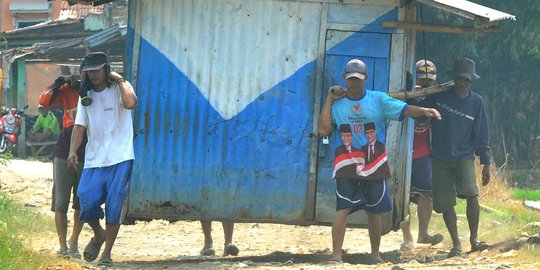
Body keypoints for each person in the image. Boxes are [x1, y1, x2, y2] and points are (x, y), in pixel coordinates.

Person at [318, 59, 441, 264]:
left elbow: (404, 109)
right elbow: (323, 129)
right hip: (346, 164)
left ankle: (375, 255)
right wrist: (329, 100)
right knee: (343, 209)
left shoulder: (379, 100)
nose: (354, 83)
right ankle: (336, 255)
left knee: (374, 210)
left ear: (365, 78)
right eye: (350, 79)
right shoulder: (337, 104)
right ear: (345, 79)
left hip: (374, 164)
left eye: (358, 79)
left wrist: (425, 111)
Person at [68, 52, 138, 266]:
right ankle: (99, 235)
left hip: (121, 157)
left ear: (106, 69)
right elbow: (79, 127)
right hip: (94, 159)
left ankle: (107, 253)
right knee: (86, 200)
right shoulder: (86, 96)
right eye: (90, 71)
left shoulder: (120, 89)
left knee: (114, 205)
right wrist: (72, 151)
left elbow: (130, 104)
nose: (95, 74)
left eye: (98, 69)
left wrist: (119, 80)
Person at [421, 57, 491, 258]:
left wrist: (486, 161)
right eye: (459, 79)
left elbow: (481, 133)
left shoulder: (476, 102)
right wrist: (419, 88)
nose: (462, 83)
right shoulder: (440, 96)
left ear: (471, 82)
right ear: (454, 79)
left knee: (471, 194)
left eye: (466, 81)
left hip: (464, 156)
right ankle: (456, 244)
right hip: (440, 157)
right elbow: (419, 111)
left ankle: (474, 239)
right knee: (445, 203)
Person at [39, 65, 87, 258]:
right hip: (65, 143)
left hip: (88, 146)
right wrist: (61, 81)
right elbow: (44, 100)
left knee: (81, 200)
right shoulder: (66, 90)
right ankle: (63, 245)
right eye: (84, 71)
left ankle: (74, 242)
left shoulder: (95, 92)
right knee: (61, 201)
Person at [400, 60, 444, 250]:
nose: (426, 83)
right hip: (403, 153)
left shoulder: (434, 98)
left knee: (427, 192)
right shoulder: (405, 95)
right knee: (402, 195)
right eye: (422, 79)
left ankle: (423, 234)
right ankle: (407, 236)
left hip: (423, 152)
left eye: (429, 80)